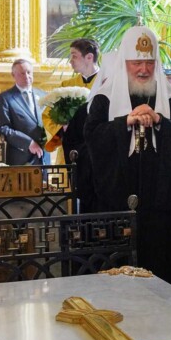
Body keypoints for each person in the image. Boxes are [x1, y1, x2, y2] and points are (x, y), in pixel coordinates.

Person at [85, 26, 171, 287]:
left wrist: (159, 121)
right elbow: (92, 137)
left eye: (149, 62)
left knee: (162, 267)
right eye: (137, 63)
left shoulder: (170, 98)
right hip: (118, 198)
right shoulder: (105, 98)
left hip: (161, 203)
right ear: (125, 62)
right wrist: (125, 122)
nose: (144, 69)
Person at [61, 38, 100, 212]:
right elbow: (50, 117)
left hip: (98, 149)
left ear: (89, 57)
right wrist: (61, 124)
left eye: (74, 56)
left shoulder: (107, 82)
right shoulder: (66, 86)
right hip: (74, 149)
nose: (71, 61)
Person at [0, 59, 47, 166]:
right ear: (13, 75)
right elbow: (3, 128)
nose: (26, 76)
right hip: (20, 157)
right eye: (22, 73)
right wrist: (28, 142)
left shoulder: (44, 95)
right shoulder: (4, 98)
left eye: (29, 72)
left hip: (44, 156)